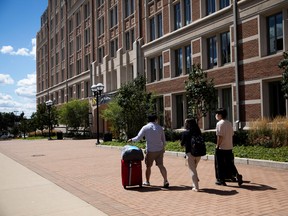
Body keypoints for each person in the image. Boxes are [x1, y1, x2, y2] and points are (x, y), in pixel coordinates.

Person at [127, 114, 169, 188]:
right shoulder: (160, 128)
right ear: (155, 119)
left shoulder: (145, 127)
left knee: (148, 167)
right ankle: (165, 180)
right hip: (159, 150)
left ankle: (147, 181)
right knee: (161, 165)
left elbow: (138, 137)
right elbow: (164, 140)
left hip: (150, 150)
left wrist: (131, 140)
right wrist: (163, 148)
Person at [214, 108, 243, 186]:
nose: (216, 116)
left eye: (217, 114)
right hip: (229, 146)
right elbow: (232, 134)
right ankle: (237, 174)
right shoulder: (229, 123)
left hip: (222, 147)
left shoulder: (219, 124)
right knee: (229, 163)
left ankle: (221, 180)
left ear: (220, 115)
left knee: (220, 164)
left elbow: (220, 136)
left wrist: (217, 146)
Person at [180, 118, 203, 192]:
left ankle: (196, 187)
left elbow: (182, 144)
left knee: (192, 170)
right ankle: (195, 180)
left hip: (190, 153)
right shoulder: (198, 132)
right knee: (194, 168)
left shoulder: (185, 133)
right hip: (199, 153)